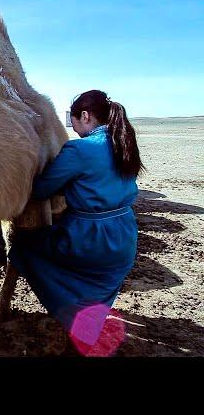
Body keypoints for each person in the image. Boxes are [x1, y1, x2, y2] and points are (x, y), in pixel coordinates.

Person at [8, 89, 144, 354]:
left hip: (89, 238)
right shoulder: (124, 142)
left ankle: (78, 327)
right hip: (124, 237)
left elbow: (41, 190)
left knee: (24, 247)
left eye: (74, 122)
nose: (75, 129)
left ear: (85, 116)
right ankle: (87, 327)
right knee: (101, 285)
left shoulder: (80, 149)